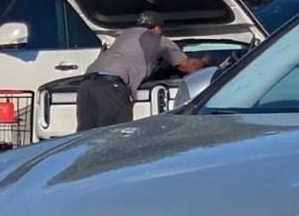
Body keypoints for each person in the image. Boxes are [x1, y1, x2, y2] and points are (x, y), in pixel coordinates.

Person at [76, 10, 210, 131]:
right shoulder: (159, 40)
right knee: (115, 137)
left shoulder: (123, 37)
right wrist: (205, 60)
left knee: (87, 138)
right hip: (112, 87)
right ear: (158, 28)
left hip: (86, 86)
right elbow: (189, 67)